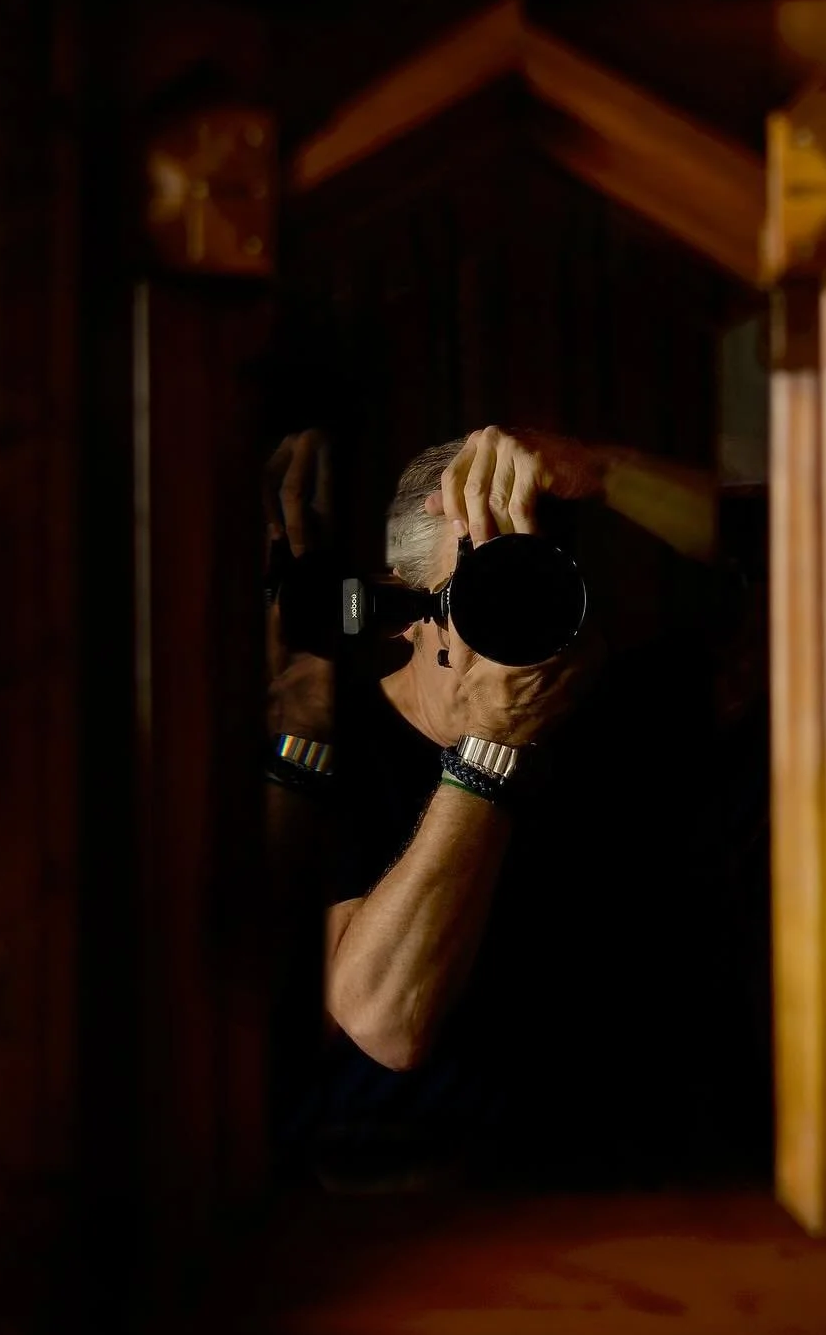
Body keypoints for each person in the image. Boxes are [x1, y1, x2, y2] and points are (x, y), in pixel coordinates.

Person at [263, 426, 720, 1190]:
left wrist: (608, 469)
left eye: (544, 579)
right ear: (404, 608)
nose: (525, 620)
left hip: (646, 1188)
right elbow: (385, 1018)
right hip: (428, 1210)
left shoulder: (635, 709)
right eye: (487, 586)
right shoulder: (325, 753)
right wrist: (492, 748)